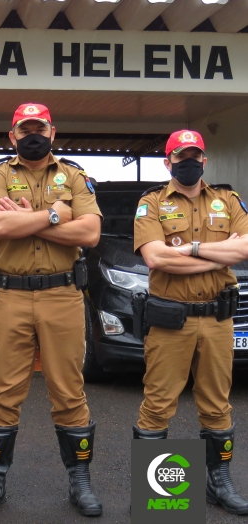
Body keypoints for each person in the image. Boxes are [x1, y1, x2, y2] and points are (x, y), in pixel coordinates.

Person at [0, 103, 103, 517]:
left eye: (39, 128)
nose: (33, 135)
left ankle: (80, 483)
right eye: (24, 129)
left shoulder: (75, 176)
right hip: (11, 295)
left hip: (62, 296)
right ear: (12, 135)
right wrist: (56, 213)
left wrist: (31, 218)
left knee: (68, 391)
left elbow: (91, 232)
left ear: (52, 131)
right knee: (4, 391)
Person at [133, 129, 248, 515]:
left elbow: (246, 246)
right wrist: (220, 256)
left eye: (195, 155)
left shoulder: (227, 200)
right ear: (168, 162)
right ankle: (158, 496)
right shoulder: (151, 203)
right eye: (181, 156)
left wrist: (192, 249)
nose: (189, 162)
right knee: (158, 404)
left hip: (217, 320)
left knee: (217, 405)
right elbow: (156, 258)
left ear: (205, 160)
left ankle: (218, 483)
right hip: (171, 321)